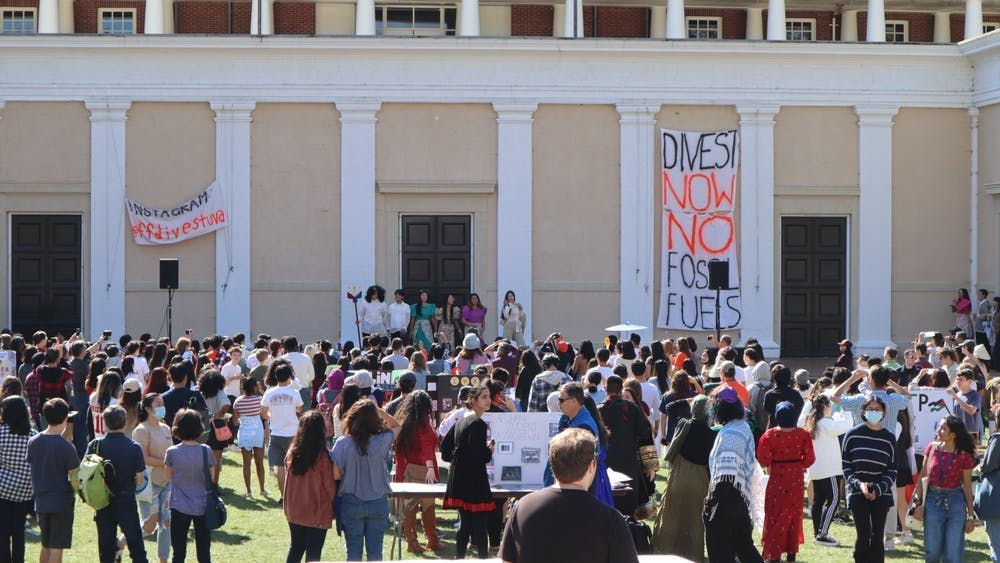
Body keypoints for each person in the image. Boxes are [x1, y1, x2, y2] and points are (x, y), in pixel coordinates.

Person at [498, 428, 639, 563]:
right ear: (591, 466)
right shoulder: (610, 519)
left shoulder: (522, 508)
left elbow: (508, 560)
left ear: (552, 465)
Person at [330, 399, 401, 561]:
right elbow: (397, 426)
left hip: (351, 502)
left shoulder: (342, 443)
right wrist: (377, 410)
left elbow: (336, 475)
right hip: (378, 501)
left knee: (353, 553)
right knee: (375, 553)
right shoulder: (382, 440)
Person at [652, 395, 717, 561]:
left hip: (678, 477)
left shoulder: (683, 425)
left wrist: (687, 401)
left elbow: (670, 408)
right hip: (700, 482)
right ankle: (692, 556)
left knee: (671, 517)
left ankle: (664, 552)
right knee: (695, 522)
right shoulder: (712, 435)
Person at [703, 387, 764, 563]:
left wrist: (709, 503)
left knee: (722, 554)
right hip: (738, 502)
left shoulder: (731, 434)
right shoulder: (741, 427)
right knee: (744, 548)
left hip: (725, 504)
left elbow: (725, 476)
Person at [911, 415, 976, 563]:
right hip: (932, 502)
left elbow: (967, 487)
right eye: (939, 427)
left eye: (943, 428)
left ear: (953, 434)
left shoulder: (965, 456)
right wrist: (917, 503)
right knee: (932, 552)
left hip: (956, 504)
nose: (938, 430)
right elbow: (923, 477)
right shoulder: (932, 448)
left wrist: (971, 517)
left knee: (953, 553)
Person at [756, 401, 816, 563]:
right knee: (793, 514)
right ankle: (791, 553)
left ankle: (773, 554)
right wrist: (797, 463)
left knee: (775, 514)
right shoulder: (803, 435)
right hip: (795, 477)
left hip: (777, 477)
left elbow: (763, 458)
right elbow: (810, 459)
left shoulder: (769, 435)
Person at [87, 405, 148, 563]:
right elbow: (140, 479)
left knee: (106, 550)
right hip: (126, 500)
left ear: (105, 423)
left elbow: (86, 472)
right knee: (137, 548)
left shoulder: (95, 445)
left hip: (102, 500)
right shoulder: (134, 447)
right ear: (125, 422)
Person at [441, 384, 494, 559]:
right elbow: (480, 455)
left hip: (460, 477)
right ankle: (483, 559)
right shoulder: (478, 424)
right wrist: (489, 451)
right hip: (473, 479)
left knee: (466, 524)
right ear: (473, 400)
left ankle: (460, 558)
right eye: (484, 397)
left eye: (489, 396)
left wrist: (459, 459)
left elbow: (445, 449)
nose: (488, 400)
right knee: (479, 525)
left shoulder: (461, 421)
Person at [842, 396, 896, 563]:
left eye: (877, 409)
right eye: (870, 409)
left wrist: (878, 489)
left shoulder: (889, 437)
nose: (874, 412)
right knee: (864, 534)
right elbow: (846, 467)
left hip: (882, 493)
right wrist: (859, 485)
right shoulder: (852, 435)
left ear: (884, 412)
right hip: (858, 491)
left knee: (877, 536)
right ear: (863, 411)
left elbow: (892, 469)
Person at [27, 398, 80, 563]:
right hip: (61, 502)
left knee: (46, 544)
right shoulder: (67, 447)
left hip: (41, 501)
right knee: (57, 547)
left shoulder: (33, 442)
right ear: (64, 418)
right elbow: (75, 478)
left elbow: (32, 468)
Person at [283, 411, 336, 563]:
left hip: (294, 509)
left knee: (296, 548)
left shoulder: (292, 453)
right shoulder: (323, 457)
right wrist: (335, 509)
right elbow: (330, 487)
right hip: (316, 511)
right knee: (313, 554)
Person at [392, 391, 441, 553]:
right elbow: (426, 447)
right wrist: (430, 468)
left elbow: (400, 451)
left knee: (410, 507)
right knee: (427, 507)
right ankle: (430, 540)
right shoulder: (423, 424)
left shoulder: (405, 422)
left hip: (407, 469)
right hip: (423, 469)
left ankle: (413, 542)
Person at [164, 409, 214, 563]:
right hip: (203, 505)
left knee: (178, 553)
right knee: (204, 553)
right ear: (199, 427)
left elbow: (168, 476)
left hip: (179, 505)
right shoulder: (206, 450)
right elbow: (211, 477)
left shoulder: (172, 452)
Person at [598, 374, 654, 511]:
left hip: (604, 465)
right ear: (621, 389)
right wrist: (651, 464)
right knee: (628, 506)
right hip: (629, 464)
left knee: (606, 505)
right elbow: (646, 433)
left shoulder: (598, 410)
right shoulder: (632, 408)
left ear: (605, 389)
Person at [803, 394, 852, 547]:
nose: (831, 408)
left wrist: (837, 416)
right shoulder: (825, 423)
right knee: (834, 499)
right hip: (829, 470)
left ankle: (817, 532)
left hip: (816, 469)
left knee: (818, 501)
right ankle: (822, 534)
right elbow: (848, 425)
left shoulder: (813, 422)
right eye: (830, 405)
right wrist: (845, 409)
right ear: (825, 406)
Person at [132, 394, 173, 563]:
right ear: (148, 409)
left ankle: (163, 560)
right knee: (150, 525)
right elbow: (143, 458)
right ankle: (121, 542)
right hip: (149, 484)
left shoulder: (166, 428)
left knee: (167, 522)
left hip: (167, 482)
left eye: (163, 404)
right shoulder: (141, 430)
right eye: (158, 404)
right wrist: (166, 463)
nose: (162, 407)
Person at [0, 396, 37, 563]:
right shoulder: (33, 435)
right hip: (25, 491)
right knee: (18, 532)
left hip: (3, 489)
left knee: (2, 532)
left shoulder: (1, 433)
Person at [262, 362, 303, 498]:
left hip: (276, 433)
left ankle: (283, 496)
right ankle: (294, 495)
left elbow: (263, 413)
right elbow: (300, 409)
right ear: (289, 377)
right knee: (293, 466)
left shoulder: (269, 393)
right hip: (292, 433)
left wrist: (272, 415)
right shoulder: (295, 393)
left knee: (280, 467)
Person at [232, 377, 268, 498]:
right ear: (254, 387)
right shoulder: (259, 399)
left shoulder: (237, 401)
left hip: (244, 433)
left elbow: (235, 422)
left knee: (246, 464)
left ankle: (248, 491)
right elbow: (264, 415)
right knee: (260, 463)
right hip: (257, 432)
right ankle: (262, 490)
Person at [978, 403, 1000, 561]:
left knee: (996, 543)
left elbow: (987, 465)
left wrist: (978, 466)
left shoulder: (997, 439)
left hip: (996, 495)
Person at [763, 364, 805, 429]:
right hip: (792, 429)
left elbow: (767, 412)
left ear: (774, 379)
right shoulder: (796, 394)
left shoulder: (769, 394)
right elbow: (800, 408)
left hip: (775, 429)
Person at [949, 369, 982, 441]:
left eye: (961, 379)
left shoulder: (975, 395)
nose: (958, 382)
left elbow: (972, 411)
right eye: (957, 379)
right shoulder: (958, 395)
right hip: (958, 432)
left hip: (971, 433)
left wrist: (956, 398)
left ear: (969, 381)